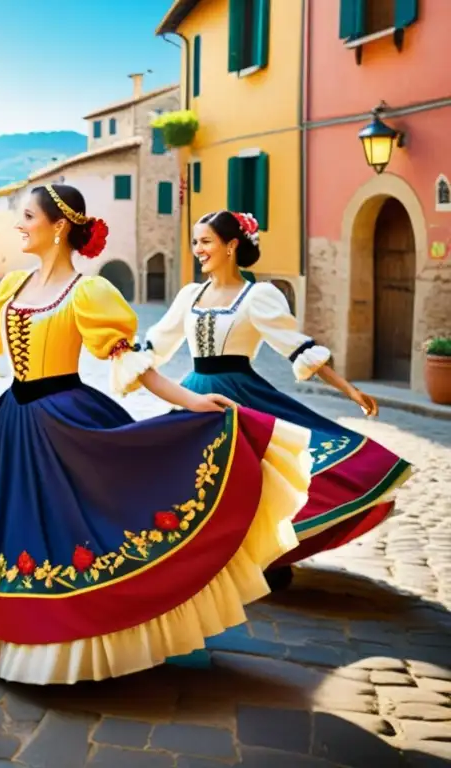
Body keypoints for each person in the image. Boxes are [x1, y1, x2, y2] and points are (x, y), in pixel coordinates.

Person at [0, 185, 314, 685]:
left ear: (59, 225)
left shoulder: (87, 292)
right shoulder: (11, 288)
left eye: (27, 216)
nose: (19, 225)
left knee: (73, 531)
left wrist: (193, 401)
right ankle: (5, 632)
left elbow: (130, 361)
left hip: (63, 419)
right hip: (13, 420)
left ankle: (65, 640)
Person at [141, 210, 413, 590]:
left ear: (231, 245)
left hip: (241, 395)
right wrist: (121, 352)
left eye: (205, 241)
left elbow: (297, 348)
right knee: (185, 477)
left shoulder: (259, 296)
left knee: (258, 480)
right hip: (195, 394)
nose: (197, 250)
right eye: (195, 242)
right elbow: (157, 342)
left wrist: (348, 389)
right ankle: (191, 558)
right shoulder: (190, 295)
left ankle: (263, 556)